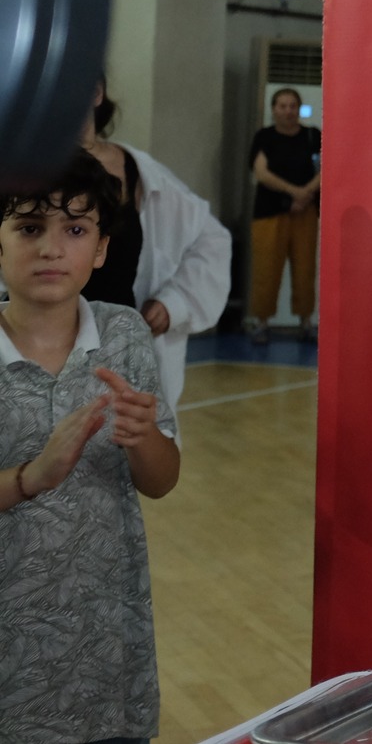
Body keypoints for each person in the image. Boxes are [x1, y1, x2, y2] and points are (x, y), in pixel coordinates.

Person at [0, 147, 181, 744]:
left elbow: (161, 481)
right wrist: (31, 477)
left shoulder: (123, 333)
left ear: (101, 248)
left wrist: (143, 437)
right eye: (29, 227)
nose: (52, 248)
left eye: (75, 229)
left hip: (106, 645)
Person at [80, 80, 231, 411]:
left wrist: (175, 302)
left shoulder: (140, 172)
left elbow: (211, 239)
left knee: (134, 438)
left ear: (96, 92)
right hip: (42, 353)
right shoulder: (19, 173)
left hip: (125, 360)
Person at [248, 87, 320, 345]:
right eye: (282, 106)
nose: (288, 111)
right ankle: (262, 323)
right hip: (269, 213)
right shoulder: (264, 137)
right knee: (266, 269)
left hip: (306, 212)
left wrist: (306, 193)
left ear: (298, 109)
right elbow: (261, 173)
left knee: (305, 269)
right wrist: (294, 192)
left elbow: (327, 167)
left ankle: (306, 322)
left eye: (292, 106)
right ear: (273, 109)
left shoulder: (313, 136)